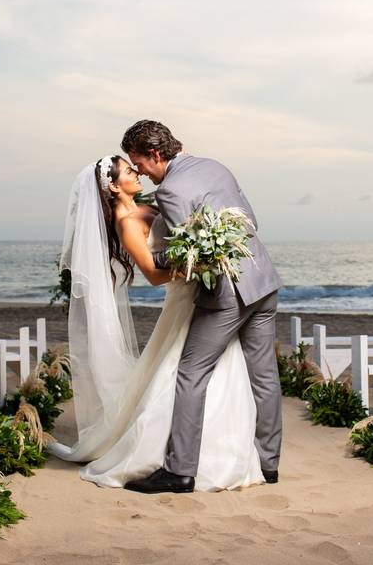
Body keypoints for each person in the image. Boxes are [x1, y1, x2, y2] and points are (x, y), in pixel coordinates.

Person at [51, 124, 280, 491]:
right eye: (131, 169)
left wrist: (198, 253)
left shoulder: (169, 191)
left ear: (155, 155)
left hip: (226, 295)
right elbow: (250, 220)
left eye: (139, 163)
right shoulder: (214, 167)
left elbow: (181, 254)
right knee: (264, 376)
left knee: (189, 375)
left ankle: (180, 471)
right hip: (263, 280)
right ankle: (269, 465)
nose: (139, 171)